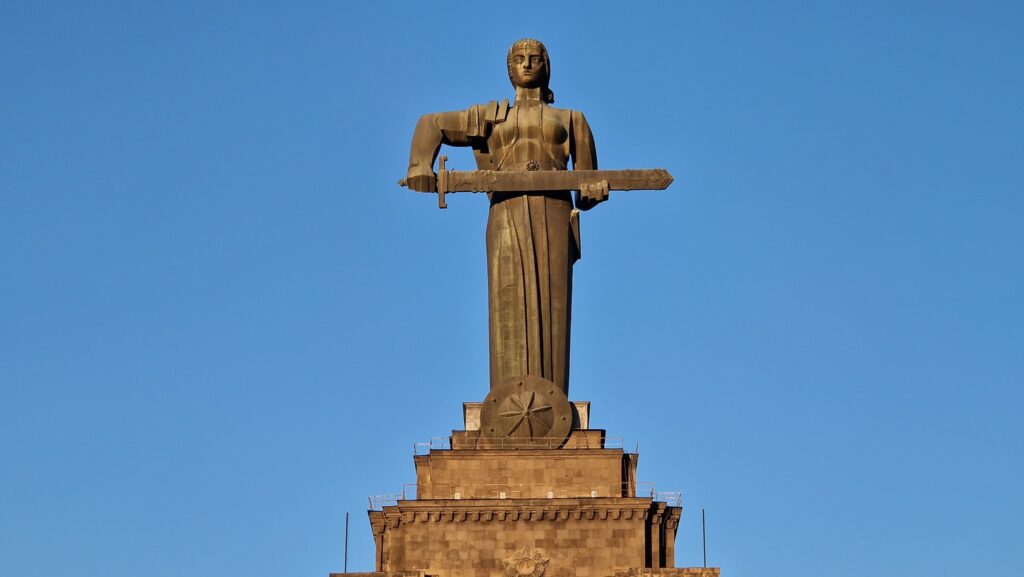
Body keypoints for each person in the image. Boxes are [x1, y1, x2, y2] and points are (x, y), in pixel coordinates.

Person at [405, 38, 608, 396]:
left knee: (552, 305)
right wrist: (419, 164)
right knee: (507, 300)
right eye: (519, 59)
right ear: (509, 68)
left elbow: (586, 184)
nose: (527, 64)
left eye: (534, 59)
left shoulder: (571, 119)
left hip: (554, 213)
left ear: (546, 66)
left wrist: (592, 193)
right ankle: (507, 397)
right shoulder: (492, 115)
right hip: (505, 211)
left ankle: (551, 397)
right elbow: (430, 123)